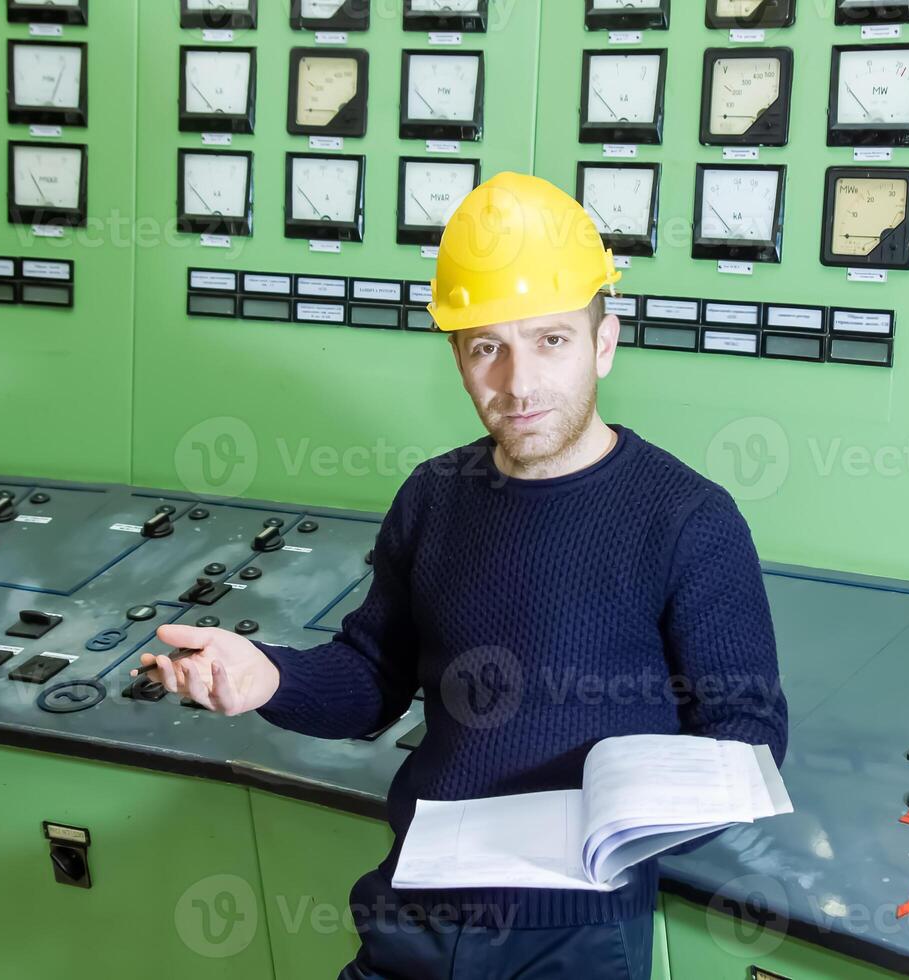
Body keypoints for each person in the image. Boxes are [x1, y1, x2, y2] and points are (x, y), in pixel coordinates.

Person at [136, 172, 789, 979]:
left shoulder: (687, 518)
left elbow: (746, 733)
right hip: (415, 909)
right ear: (458, 356)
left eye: (551, 340)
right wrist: (269, 677)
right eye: (488, 346)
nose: (518, 383)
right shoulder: (435, 496)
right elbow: (374, 678)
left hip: (570, 932)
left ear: (605, 344)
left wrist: (605, 823)